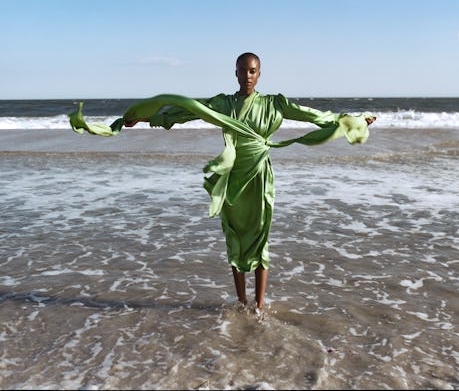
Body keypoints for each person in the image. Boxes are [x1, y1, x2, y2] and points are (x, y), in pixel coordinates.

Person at [122, 52, 376, 313]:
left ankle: (259, 306)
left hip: (259, 177)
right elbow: (188, 110)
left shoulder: (274, 104)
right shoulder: (224, 103)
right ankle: (242, 302)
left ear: (259, 73)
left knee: (260, 237)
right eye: (242, 71)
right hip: (233, 178)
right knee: (235, 239)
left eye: (252, 71)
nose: (247, 76)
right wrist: (146, 117)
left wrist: (355, 120)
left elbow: (314, 116)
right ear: (235, 73)